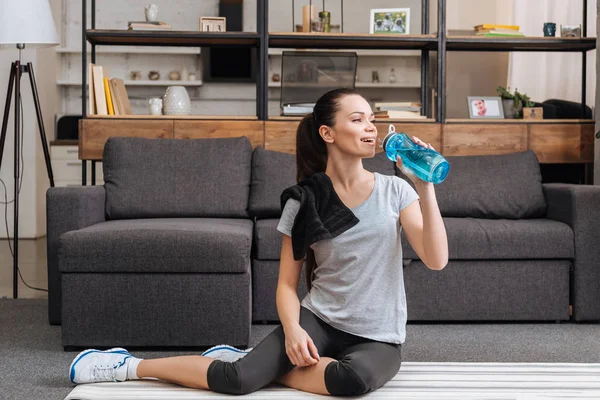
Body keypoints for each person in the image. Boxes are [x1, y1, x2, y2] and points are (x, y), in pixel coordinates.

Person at [68, 88, 448, 397]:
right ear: (327, 133)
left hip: (377, 334)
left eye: (372, 119)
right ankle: (129, 366)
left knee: (352, 381)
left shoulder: (395, 190)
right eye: (357, 119)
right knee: (238, 380)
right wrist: (294, 330)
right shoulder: (305, 200)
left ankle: (262, 364)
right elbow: (285, 284)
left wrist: (425, 187)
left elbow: (436, 260)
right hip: (320, 320)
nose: (371, 128)